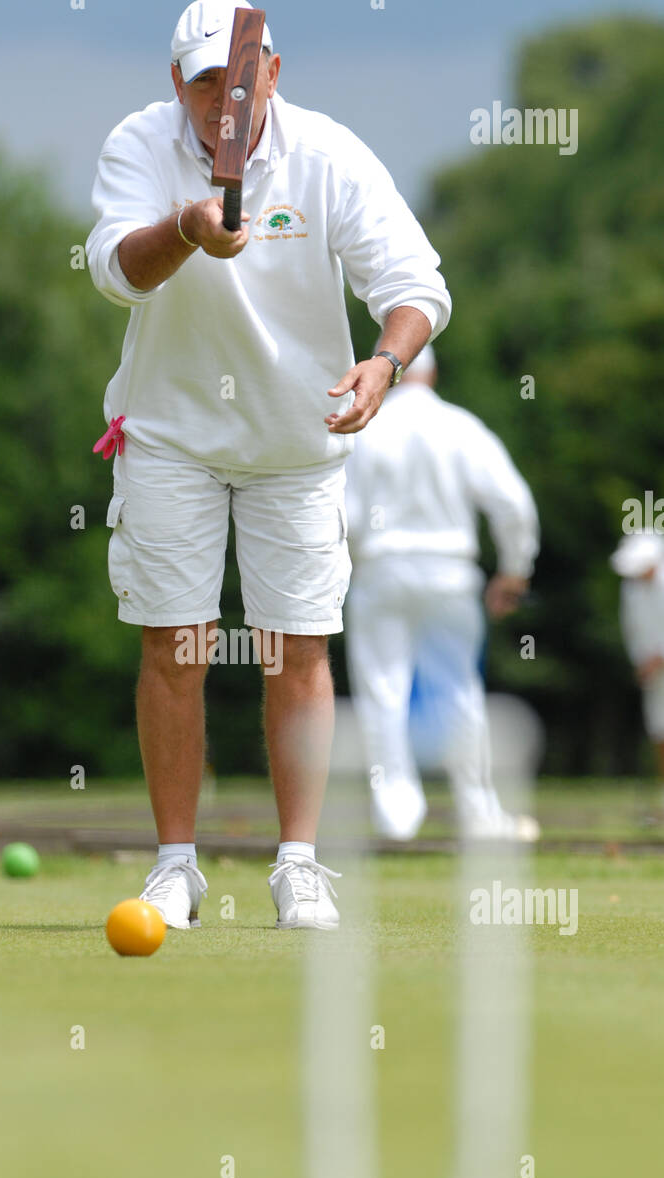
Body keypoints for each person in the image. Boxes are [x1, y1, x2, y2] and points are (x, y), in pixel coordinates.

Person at [86, 0, 451, 928]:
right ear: (178, 84)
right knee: (175, 643)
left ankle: (298, 865)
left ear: (273, 75)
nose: (222, 98)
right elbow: (114, 271)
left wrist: (386, 361)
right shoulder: (138, 142)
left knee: (297, 647)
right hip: (170, 434)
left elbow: (416, 287)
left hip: (300, 440)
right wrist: (187, 230)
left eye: (237, 79)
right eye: (203, 80)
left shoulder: (328, 153)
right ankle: (177, 867)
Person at [344, 345, 540, 842]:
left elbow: (341, 513)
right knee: (459, 691)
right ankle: (479, 812)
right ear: (433, 374)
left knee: (382, 691)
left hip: (381, 569)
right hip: (451, 573)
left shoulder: (365, 427)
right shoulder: (460, 426)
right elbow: (512, 502)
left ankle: (395, 816)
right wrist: (514, 571)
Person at [610, 531, 664, 798]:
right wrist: (641, 660)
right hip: (653, 672)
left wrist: (659, 657)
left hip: (658, 663)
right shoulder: (631, 588)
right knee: (659, 727)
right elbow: (632, 628)